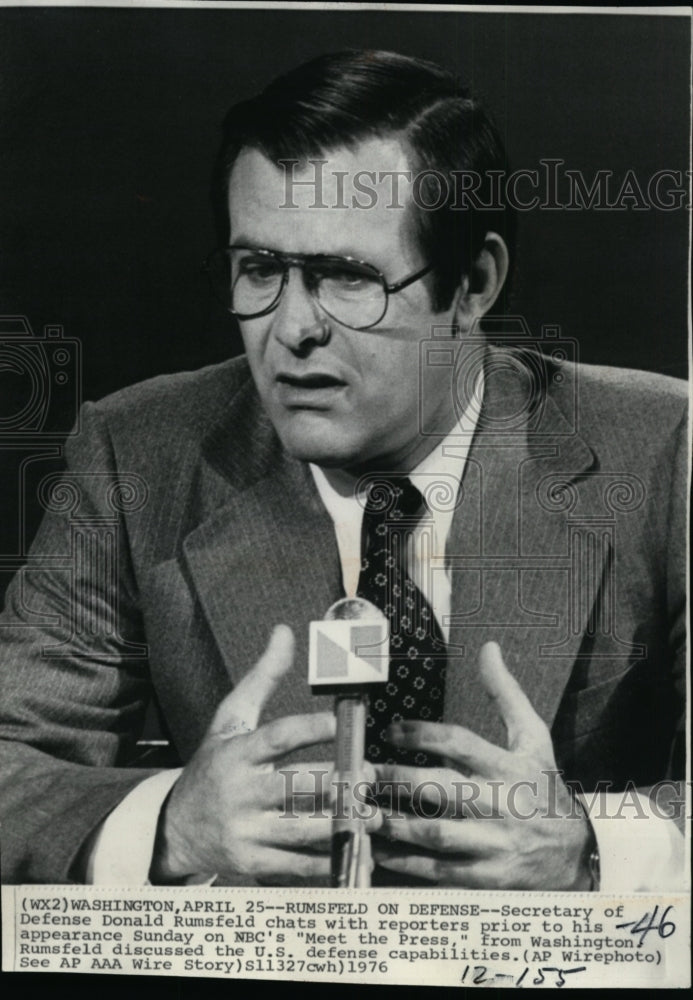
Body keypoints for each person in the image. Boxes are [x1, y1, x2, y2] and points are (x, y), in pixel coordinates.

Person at [0, 50, 686, 890]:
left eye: (345, 277)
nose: (290, 329)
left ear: (472, 283)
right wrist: (173, 824)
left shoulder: (664, 449)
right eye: (259, 270)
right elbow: (9, 769)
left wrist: (591, 848)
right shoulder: (134, 454)